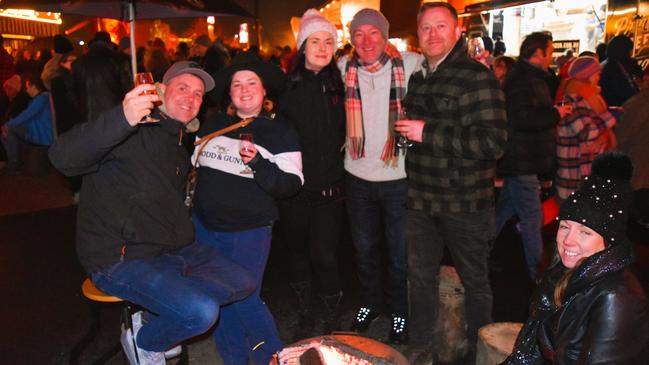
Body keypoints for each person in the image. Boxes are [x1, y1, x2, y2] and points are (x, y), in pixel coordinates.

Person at [49, 61, 256, 365]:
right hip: (118, 256)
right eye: (182, 88)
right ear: (160, 90)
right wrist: (122, 117)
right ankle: (145, 343)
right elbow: (62, 157)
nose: (191, 97)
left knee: (243, 281)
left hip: (170, 250)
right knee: (201, 312)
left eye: (198, 94)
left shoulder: (178, 142)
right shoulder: (129, 129)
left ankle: (149, 321)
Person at [397, 2, 507, 362]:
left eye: (441, 26)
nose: (432, 34)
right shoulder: (419, 78)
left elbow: (492, 143)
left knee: (476, 282)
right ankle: (422, 348)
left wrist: (427, 132)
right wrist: (407, 138)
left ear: (458, 31)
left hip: (465, 203)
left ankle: (480, 352)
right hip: (420, 200)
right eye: (426, 28)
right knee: (420, 280)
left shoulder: (477, 76)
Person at [191, 57, 302, 365]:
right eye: (237, 84)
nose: (244, 89)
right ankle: (234, 359)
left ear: (265, 90)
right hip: (204, 228)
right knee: (218, 298)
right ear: (229, 93)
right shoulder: (211, 125)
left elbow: (291, 184)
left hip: (248, 231)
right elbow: (191, 169)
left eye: (251, 82)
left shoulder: (279, 131)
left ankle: (276, 358)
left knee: (243, 297)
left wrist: (257, 164)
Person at [503, 152, 649, 364]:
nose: (568, 241)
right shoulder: (563, 272)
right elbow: (529, 351)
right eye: (565, 227)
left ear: (608, 241)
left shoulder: (615, 298)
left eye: (585, 232)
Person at [338, 7, 423, 345]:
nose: (366, 40)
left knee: (400, 254)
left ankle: (400, 310)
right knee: (364, 249)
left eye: (373, 32)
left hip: (397, 177)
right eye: (359, 34)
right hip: (356, 175)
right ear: (352, 40)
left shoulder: (411, 64)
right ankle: (370, 304)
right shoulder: (343, 68)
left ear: (385, 36)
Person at [277, 9, 346, 341]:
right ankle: (305, 311)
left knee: (324, 254)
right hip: (294, 189)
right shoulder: (286, 87)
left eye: (328, 41)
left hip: (330, 188)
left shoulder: (342, 83)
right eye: (315, 40)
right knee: (297, 252)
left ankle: (332, 312)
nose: (322, 47)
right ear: (303, 46)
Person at [496, 32, 572, 280]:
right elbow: (522, 118)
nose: (551, 57)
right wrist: (555, 114)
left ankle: (476, 249)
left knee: (504, 209)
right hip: (521, 159)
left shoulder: (530, 78)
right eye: (549, 51)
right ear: (538, 53)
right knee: (532, 216)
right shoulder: (521, 79)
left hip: (523, 158)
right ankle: (538, 275)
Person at [555, 56, 616, 201]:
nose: (598, 77)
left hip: (586, 178)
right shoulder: (570, 102)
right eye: (596, 73)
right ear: (587, 76)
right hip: (573, 181)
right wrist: (603, 116)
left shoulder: (589, 99)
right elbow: (588, 133)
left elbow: (604, 137)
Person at [72, 31, 133, 124]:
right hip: (115, 116)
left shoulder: (78, 63)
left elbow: (74, 94)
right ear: (109, 44)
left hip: (87, 118)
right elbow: (129, 90)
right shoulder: (119, 60)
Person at [1, 73, 53, 175]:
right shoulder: (38, 99)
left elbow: (27, 115)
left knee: (9, 131)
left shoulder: (41, 99)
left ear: (33, 87)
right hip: (35, 134)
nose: (26, 90)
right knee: (7, 133)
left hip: (42, 137)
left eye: (27, 87)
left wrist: (8, 125)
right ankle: (14, 163)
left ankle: (14, 164)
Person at [600, 35, 643, 107]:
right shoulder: (616, 67)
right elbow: (623, 91)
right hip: (621, 108)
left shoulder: (604, 65)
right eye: (630, 50)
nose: (631, 53)